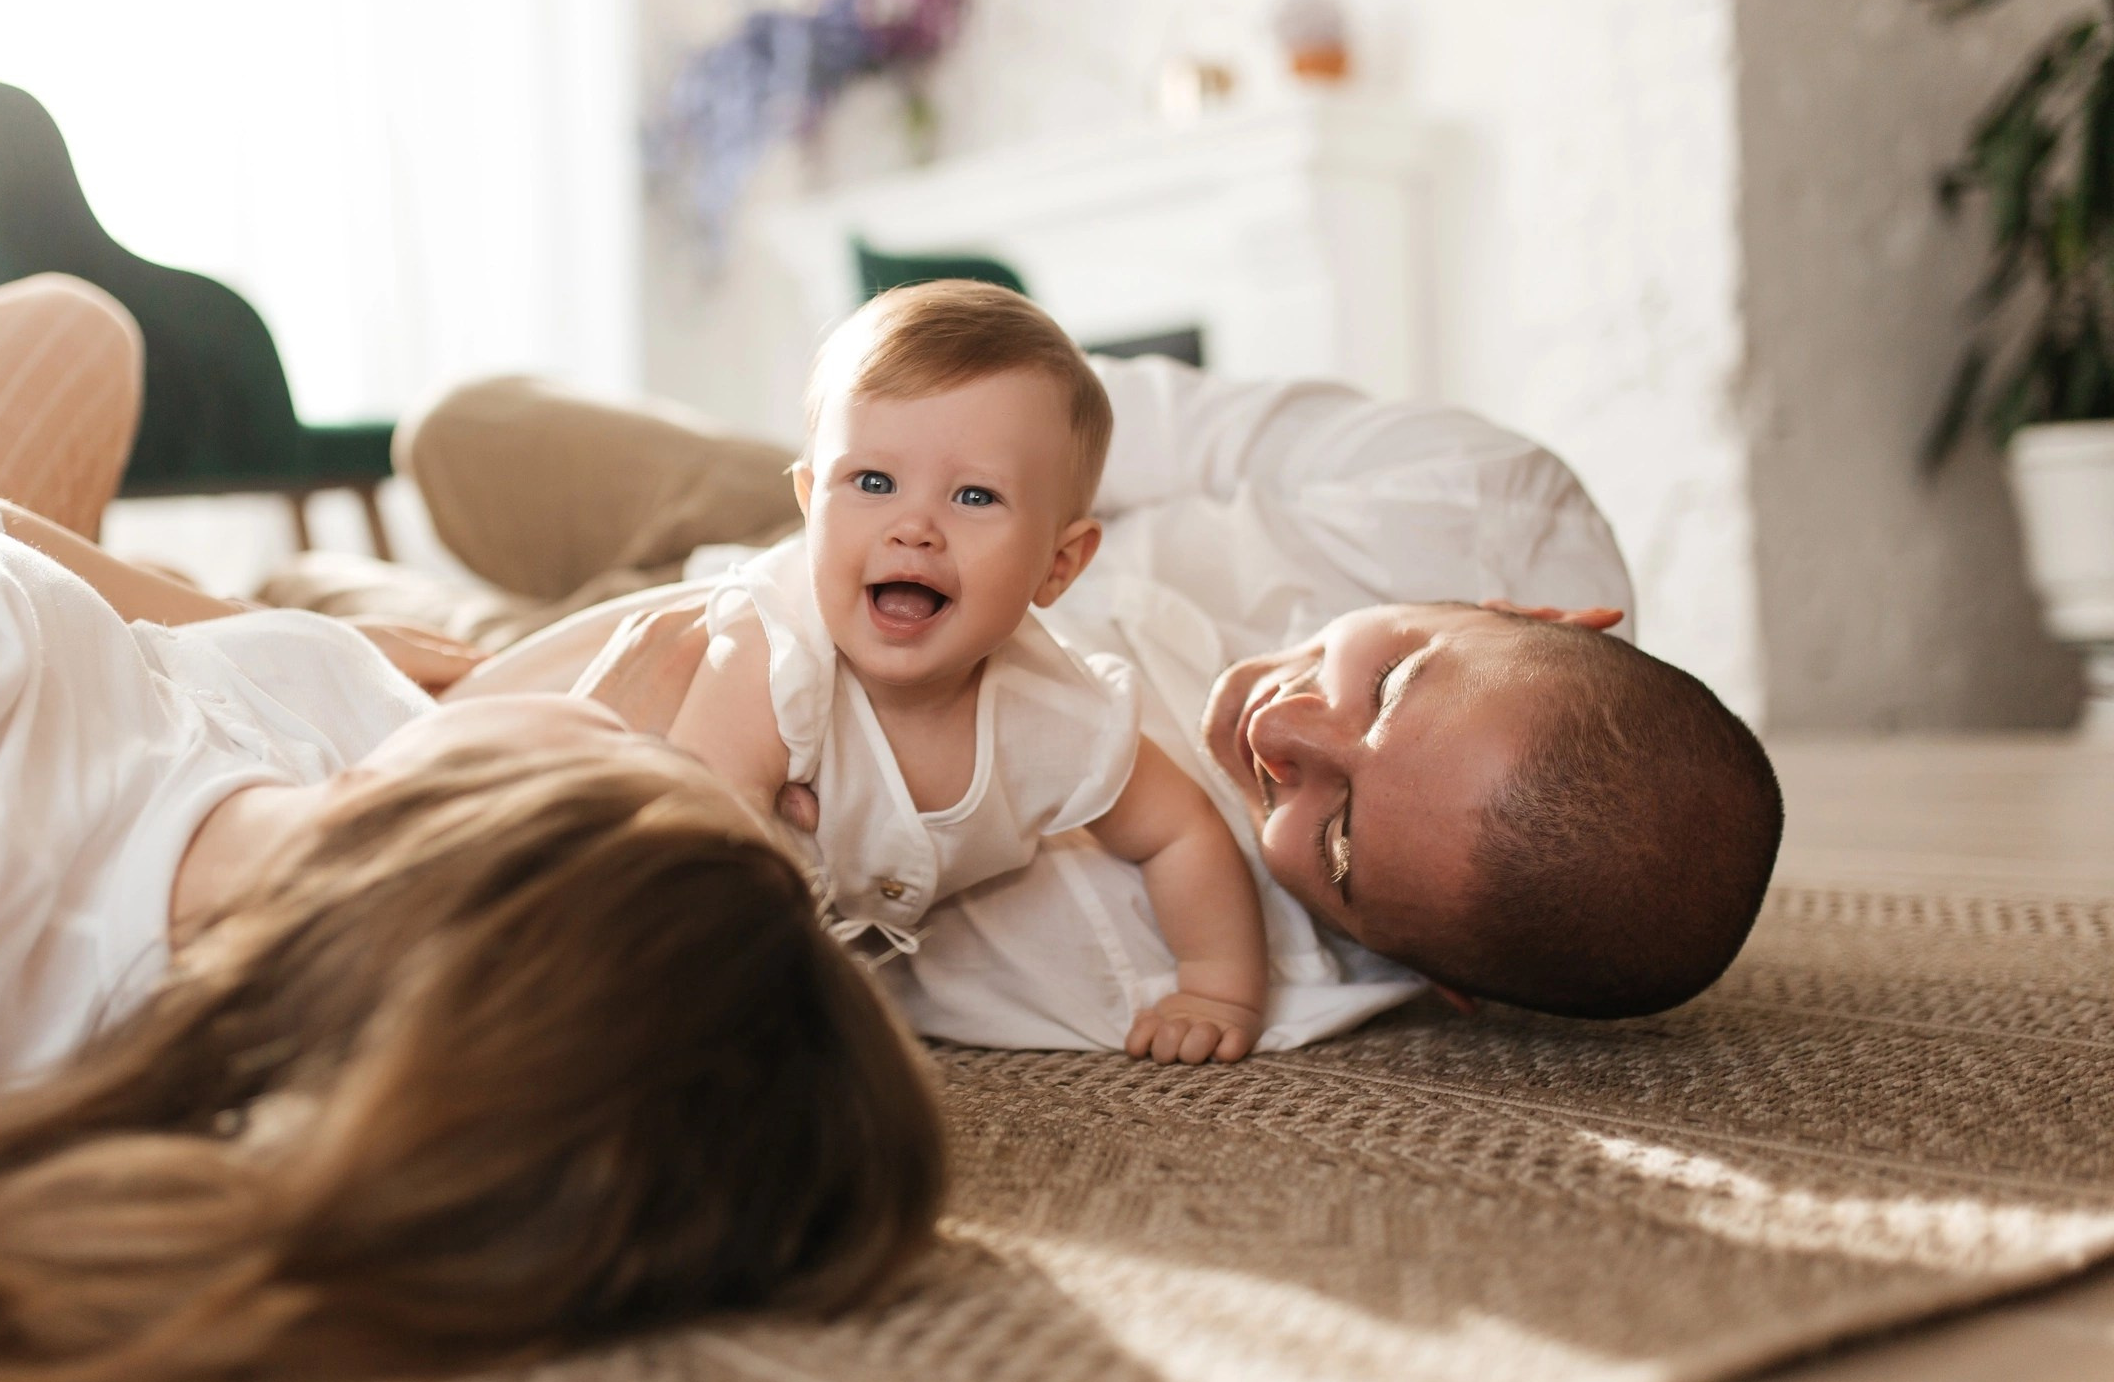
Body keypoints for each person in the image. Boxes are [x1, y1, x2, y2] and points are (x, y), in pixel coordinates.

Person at [0, 278, 945, 1382]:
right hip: (289, 736)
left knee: (67, 326)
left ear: (489, 815)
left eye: (685, 782)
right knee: (429, 620)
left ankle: (324, 607)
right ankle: (330, 607)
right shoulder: (230, 1060)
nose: (784, 818)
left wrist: (224, 621)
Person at [381, 339, 1783, 1055]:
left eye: (1341, 833)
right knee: (460, 432)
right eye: (1390, 677)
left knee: (362, 651)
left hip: (685, 693)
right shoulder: (1491, 501)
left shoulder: (1179, 953)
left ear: (1443, 980)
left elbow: (859, 945)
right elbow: (1131, 414)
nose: (1282, 730)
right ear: (1532, 612)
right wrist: (924, 497)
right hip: (875, 521)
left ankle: (393, 610)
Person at [668, 283, 1270, 1064]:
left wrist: (1217, 986)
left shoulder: (1054, 713)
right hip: (612, 763)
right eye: (873, 482)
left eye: (975, 495)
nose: (914, 527)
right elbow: (693, 836)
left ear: (1058, 565)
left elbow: (1179, 830)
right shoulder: (771, 654)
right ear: (811, 504)